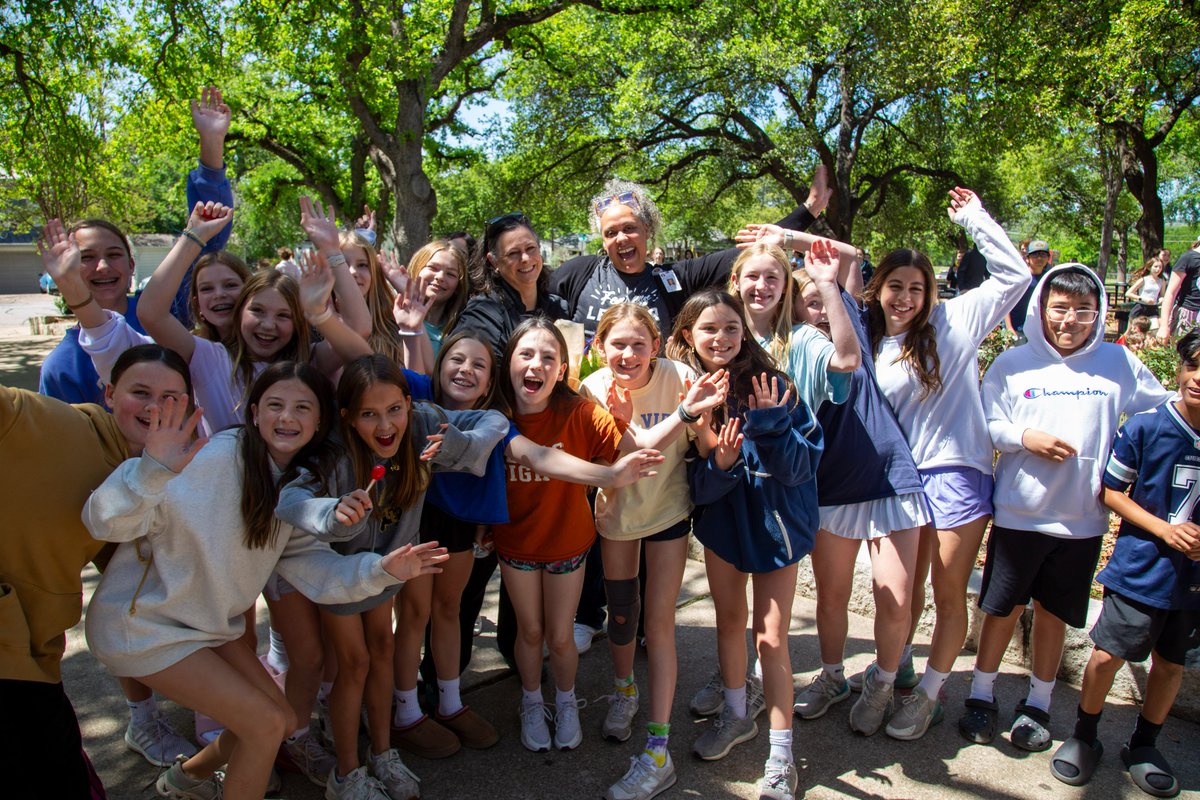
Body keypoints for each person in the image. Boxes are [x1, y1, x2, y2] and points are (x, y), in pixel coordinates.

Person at [82, 362, 450, 800]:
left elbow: (317, 570)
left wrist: (382, 570)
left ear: (319, 424)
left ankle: (184, 782)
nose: (287, 417)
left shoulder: (299, 490)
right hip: (143, 629)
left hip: (204, 630)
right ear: (254, 413)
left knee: (282, 719)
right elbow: (102, 522)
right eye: (275, 405)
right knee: (264, 726)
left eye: (302, 408)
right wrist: (149, 472)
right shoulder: (216, 457)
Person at [277, 354, 511, 798]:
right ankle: (346, 774)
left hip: (384, 569)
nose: (385, 425)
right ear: (346, 417)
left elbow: (494, 420)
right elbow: (290, 499)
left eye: (393, 410)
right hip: (341, 573)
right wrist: (329, 512)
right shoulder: (332, 455)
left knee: (383, 647)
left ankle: (383, 752)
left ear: (409, 402)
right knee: (356, 663)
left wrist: (458, 442)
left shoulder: (423, 423)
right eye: (368, 414)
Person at [961, 264, 1169, 753]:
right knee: (1001, 609)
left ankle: (1038, 702)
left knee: (1054, 615)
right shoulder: (1013, 364)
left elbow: (1160, 412)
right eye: (1059, 308)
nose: (1069, 320)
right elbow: (988, 423)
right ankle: (981, 694)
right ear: (1040, 309)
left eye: (1082, 310)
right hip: (1019, 514)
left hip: (1082, 522)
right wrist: (1022, 438)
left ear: (1098, 312)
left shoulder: (1119, 365)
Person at [495, 317, 723, 755]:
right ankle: (531, 701)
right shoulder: (498, 414)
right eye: (526, 354)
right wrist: (609, 475)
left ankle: (566, 702)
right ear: (508, 362)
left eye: (549, 358)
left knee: (561, 635)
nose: (536, 365)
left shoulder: (580, 409)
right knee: (530, 631)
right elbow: (530, 457)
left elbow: (635, 450)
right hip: (518, 545)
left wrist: (658, 419)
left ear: (563, 369)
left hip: (572, 543)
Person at [864, 189, 1031, 738]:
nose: (906, 298)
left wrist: (973, 218)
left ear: (930, 291)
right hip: (901, 481)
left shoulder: (955, 321)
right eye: (895, 287)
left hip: (957, 471)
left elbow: (1013, 277)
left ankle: (932, 694)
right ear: (879, 290)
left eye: (917, 288)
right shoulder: (870, 343)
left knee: (946, 588)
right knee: (901, 590)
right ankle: (893, 671)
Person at [0, 344, 193, 799]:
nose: (154, 407)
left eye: (171, 397)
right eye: (139, 392)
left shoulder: (154, 476)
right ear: (109, 393)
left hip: (33, 655)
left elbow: (143, 578)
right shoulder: (39, 418)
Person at [668, 289, 822, 800]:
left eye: (731, 328)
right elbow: (699, 490)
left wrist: (772, 424)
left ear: (745, 332)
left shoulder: (774, 384)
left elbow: (800, 469)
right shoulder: (686, 393)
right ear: (688, 334)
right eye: (709, 329)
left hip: (776, 528)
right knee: (730, 622)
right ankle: (737, 714)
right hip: (723, 528)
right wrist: (723, 462)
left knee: (772, 638)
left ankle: (781, 755)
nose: (722, 338)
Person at [1048, 328, 1200, 798]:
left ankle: (1144, 745)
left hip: (1193, 584)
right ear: (1179, 367)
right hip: (1142, 569)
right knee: (1107, 655)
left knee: (1172, 665)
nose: (1198, 377)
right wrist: (1163, 530)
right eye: (1193, 364)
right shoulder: (1147, 426)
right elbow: (1112, 491)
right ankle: (1084, 735)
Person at [579, 304, 715, 800]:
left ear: (656, 346)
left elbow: (701, 446)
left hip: (668, 516)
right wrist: (628, 423)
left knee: (658, 626)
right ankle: (624, 692)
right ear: (600, 347)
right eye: (618, 343)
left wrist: (703, 421)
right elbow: (622, 460)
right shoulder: (591, 390)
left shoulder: (681, 376)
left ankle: (659, 748)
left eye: (639, 344)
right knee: (621, 617)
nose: (628, 353)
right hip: (617, 520)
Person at [453, 213, 568, 354]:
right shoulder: (483, 314)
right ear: (493, 261)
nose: (525, 258)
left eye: (531, 248)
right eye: (513, 253)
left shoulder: (559, 308)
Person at [1156, 239, 1200, 343]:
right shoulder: (1188, 258)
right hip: (1188, 316)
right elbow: (1171, 293)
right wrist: (1163, 326)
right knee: (1184, 356)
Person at [1006, 239, 1051, 337]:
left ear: (1048, 258)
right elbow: (1007, 302)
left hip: (1036, 330)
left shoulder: (1048, 279)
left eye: (1043, 255)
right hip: (1016, 328)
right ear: (1027, 258)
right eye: (1035, 255)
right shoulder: (1021, 277)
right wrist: (1009, 327)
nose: (1039, 258)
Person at [1128, 257, 1166, 321]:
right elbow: (1128, 293)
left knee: (1155, 328)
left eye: (1160, 267)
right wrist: (1143, 299)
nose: (1158, 269)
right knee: (1133, 330)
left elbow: (1162, 295)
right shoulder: (1143, 280)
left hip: (1153, 308)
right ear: (1149, 268)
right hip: (1140, 307)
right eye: (1155, 266)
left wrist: (1161, 299)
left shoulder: (1162, 281)